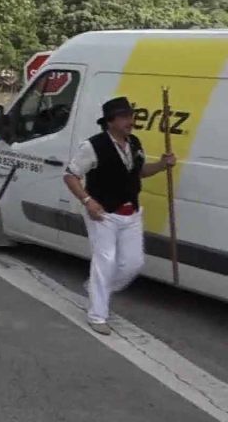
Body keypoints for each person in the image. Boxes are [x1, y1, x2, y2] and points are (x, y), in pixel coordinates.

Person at [63, 97, 175, 335]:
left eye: (130, 116)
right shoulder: (93, 146)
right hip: (103, 213)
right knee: (106, 261)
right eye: (124, 117)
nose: (130, 122)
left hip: (131, 213)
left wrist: (162, 165)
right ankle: (97, 314)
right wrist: (87, 201)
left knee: (133, 263)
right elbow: (71, 175)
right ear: (110, 122)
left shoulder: (134, 143)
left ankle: (96, 290)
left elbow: (140, 172)